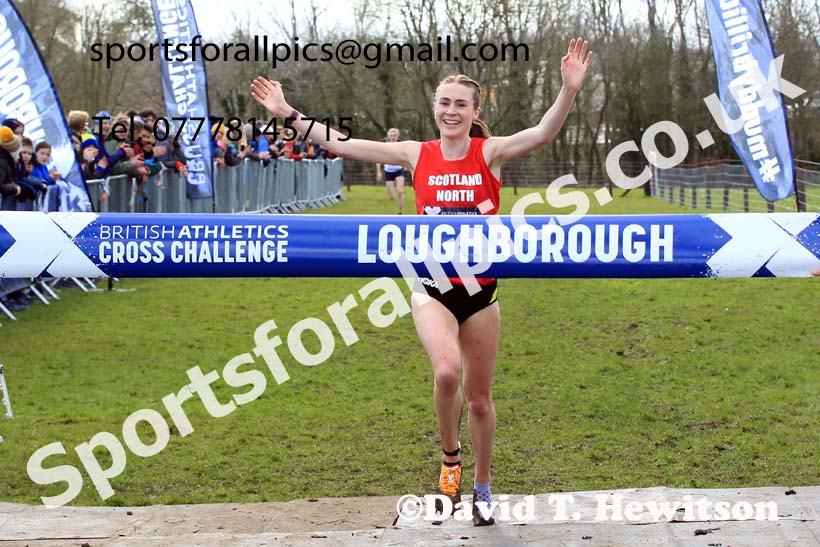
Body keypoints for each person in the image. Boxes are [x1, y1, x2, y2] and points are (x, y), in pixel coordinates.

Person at [250, 37, 592, 526]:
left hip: (481, 294)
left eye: (460, 104)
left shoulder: (488, 151)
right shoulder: (416, 153)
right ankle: (450, 460)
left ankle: (484, 485)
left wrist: (569, 91)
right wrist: (288, 112)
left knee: (479, 399)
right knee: (447, 371)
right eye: (444, 103)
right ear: (434, 108)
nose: (451, 111)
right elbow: (342, 143)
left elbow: (541, 133)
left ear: (474, 111)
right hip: (430, 289)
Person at [376, 128, 406, 214]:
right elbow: (378, 159)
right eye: (391, 136)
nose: (393, 137)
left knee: (400, 191)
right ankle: (390, 193)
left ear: (398, 136)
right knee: (391, 197)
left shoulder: (401, 145)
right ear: (388, 136)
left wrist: (406, 165)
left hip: (399, 171)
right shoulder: (385, 146)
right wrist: (379, 172)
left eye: (394, 136)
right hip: (388, 172)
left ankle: (400, 212)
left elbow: (405, 157)